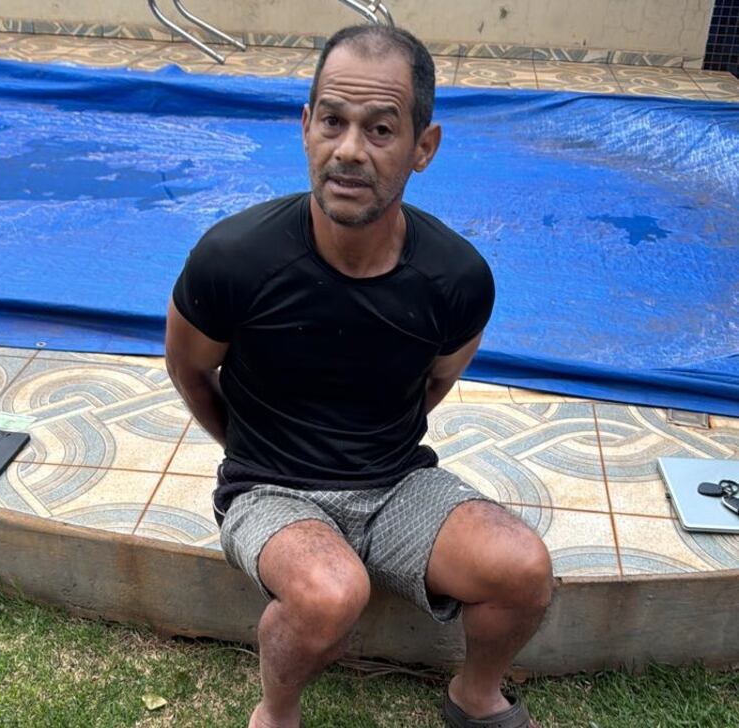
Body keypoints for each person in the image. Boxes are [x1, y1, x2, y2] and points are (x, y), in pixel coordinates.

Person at [165, 23, 552, 728]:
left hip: (396, 483)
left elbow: (434, 384)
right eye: (332, 121)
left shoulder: (456, 279)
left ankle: (475, 695)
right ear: (305, 126)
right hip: (269, 489)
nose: (348, 150)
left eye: (380, 129)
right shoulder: (234, 259)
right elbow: (190, 369)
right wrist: (249, 450)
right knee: (329, 592)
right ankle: (275, 713)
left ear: (422, 147)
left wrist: (374, 449)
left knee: (522, 567)